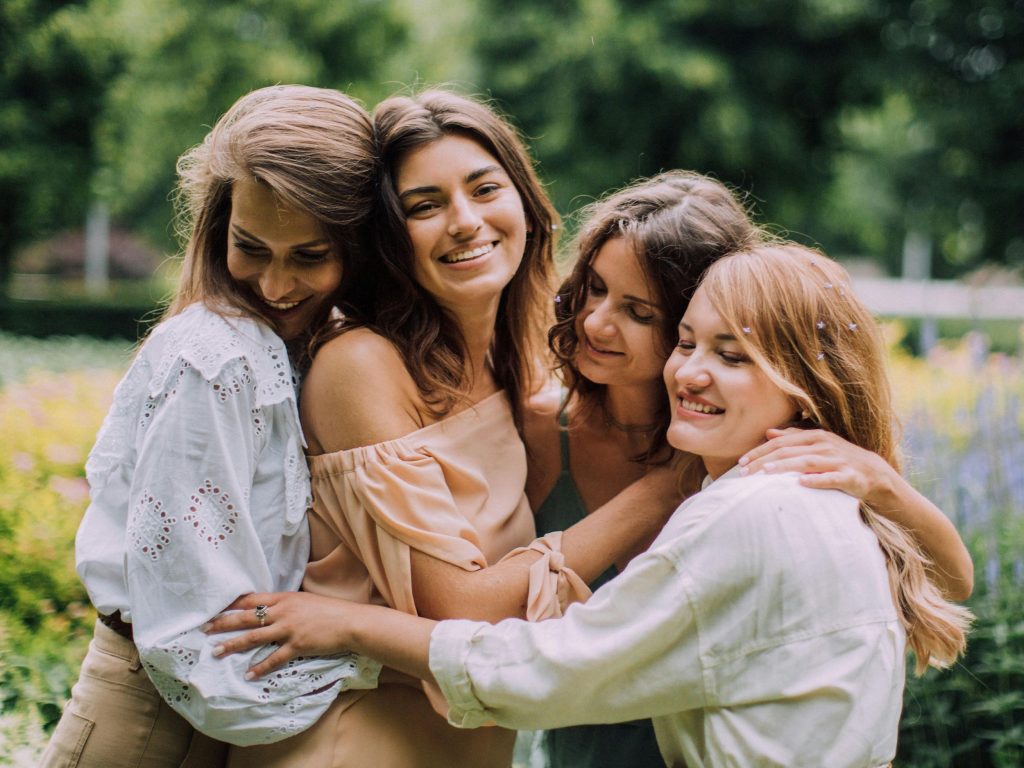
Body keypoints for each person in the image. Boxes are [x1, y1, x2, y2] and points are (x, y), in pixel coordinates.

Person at [209, 243, 973, 768]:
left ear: (805, 384)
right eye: (689, 342)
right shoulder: (821, 492)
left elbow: (546, 669)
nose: (691, 372)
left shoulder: (751, 513)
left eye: (733, 356)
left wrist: (348, 624)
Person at [220, 90, 681, 768]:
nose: (465, 222)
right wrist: (668, 486)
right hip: (357, 741)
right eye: (424, 206)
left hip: (468, 745)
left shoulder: (509, 366)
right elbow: (461, 611)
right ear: (386, 235)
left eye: (484, 189)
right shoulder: (363, 364)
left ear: (524, 201)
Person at [522, 172, 974, 767]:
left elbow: (949, 582)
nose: (595, 323)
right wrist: (664, 489)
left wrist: (882, 480)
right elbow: (499, 633)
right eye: (594, 288)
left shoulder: (766, 460)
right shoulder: (539, 432)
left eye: (638, 311)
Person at [40, 85, 383, 768]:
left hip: (217, 712)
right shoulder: (214, 358)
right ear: (218, 224)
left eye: (309, 256)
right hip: (150, 713)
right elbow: (194, 631)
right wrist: (390, 652)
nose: (276, 285)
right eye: (250, 247)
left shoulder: (320, 347)